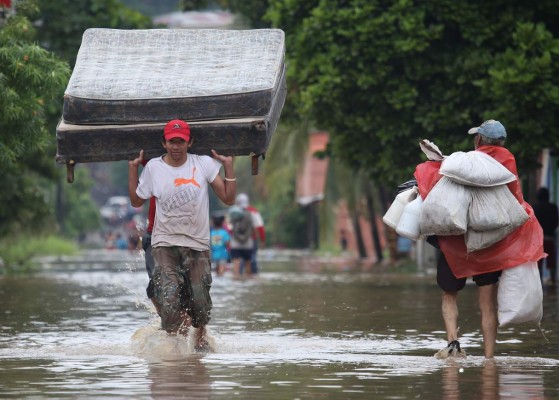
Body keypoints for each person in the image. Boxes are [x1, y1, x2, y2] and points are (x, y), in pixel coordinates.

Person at [415, 119, 544, 359]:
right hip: (490, 246)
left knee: (449, 294)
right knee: (487, 302)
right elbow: (515, 202)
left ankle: (453, 345)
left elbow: (436, 183)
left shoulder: (465, 162)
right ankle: (489, 358)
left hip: (455, 245)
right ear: (502, 142)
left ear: (478, 140)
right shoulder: (507, 164)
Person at [128, 119, 236, 350]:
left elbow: (228, 198)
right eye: (172, 141)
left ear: (190, 142)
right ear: (164, 143)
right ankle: (174, 351)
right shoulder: (154, 168)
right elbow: (136, 201)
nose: (176, 146)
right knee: (168, 297)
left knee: (200, 299)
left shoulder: (204, 164)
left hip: (197, 243)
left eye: (181, 141)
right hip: (164, 242)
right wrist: (132, 168)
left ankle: (200, 333)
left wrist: (228, 166)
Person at [532, 187, 558, 286]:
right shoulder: (553, 207)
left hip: (538, 240)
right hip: (550, 238)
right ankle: (553, 280)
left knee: (539, 262)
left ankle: (539, 281)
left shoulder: (534, 207)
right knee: (551, 261)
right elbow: (556, 222)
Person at [235, 193, 266, 274]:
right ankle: (252, 276)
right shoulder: (253, 211)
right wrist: (262, 240)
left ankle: (240, 277)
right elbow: (260, 227)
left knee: (239, 260)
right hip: (252, 239)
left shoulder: (234, 211)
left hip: (238, 240)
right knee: (252, 259)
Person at [228, 203, 255, 278]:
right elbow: (253, 230)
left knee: (236, 265)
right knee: (248, 264)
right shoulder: (250, 216)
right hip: (247, 245)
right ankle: (248, 280)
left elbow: (231, 229)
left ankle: (236, 279)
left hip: (236, 245)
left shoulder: (233, 217)